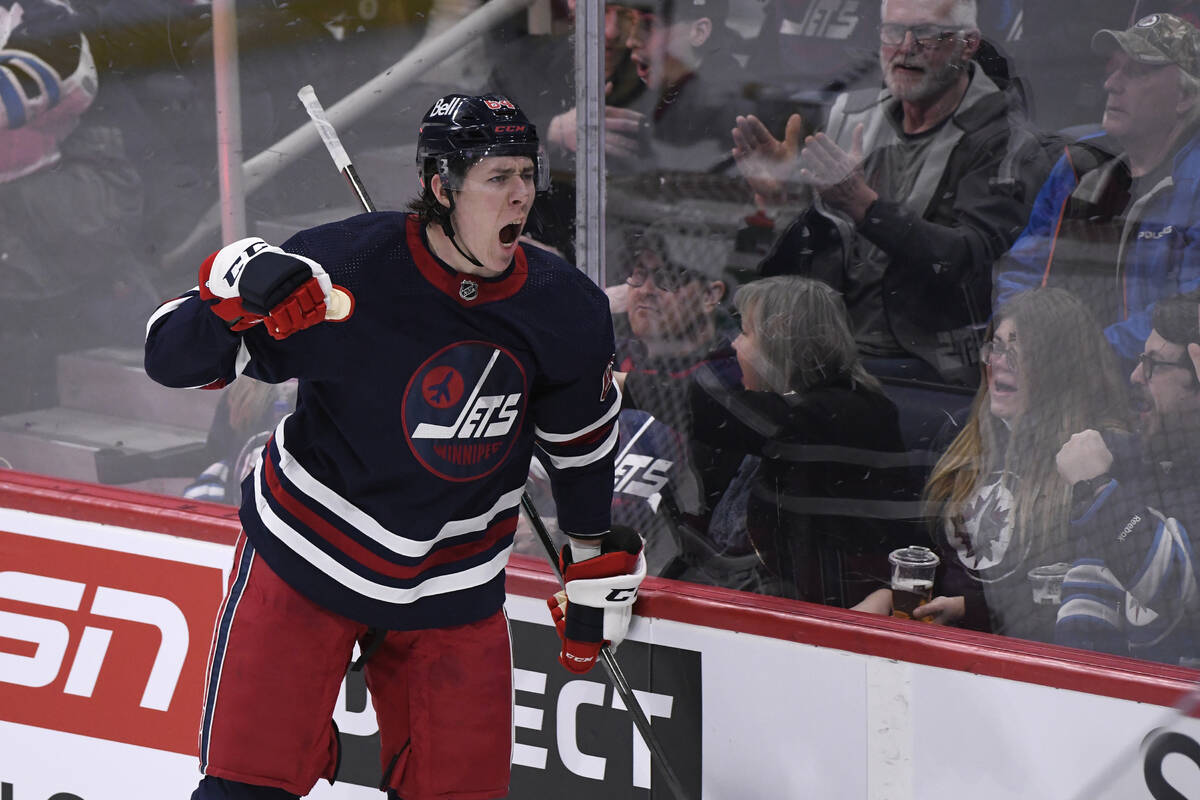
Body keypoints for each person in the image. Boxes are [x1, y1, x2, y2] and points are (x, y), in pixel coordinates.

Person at [144, 93, 647, 800]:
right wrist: (233, 294)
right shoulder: (343, 267)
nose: (522, 196)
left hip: (452, 581)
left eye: (528, 175)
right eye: (498, 177)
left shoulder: (565, 308)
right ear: (442, 187)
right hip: (306, 557)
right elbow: (168, 359)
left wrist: (591, 556)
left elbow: (581, 447)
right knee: (243, 793)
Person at [733, 0, 1053, 389]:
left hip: (926, 368)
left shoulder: (1005, 141)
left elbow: (968, 262)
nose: (905, 46)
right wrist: (784, 201)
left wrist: (863, 205)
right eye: (892, 32)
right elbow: (815, 259)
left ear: (967, 44)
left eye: (925, 33)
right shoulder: (850, 116)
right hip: (827, 348)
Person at [855, 289, 1131, 641]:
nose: (1000, 361)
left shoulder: (1097, 453)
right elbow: (926, 554)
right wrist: (887, 595)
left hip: (1029, 661)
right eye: (996, 347)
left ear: (1061, 366)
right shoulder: (961, 434)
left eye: (1019, 351)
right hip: (943, 648)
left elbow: (1082, 594)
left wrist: (970, 610)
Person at [657, 275, 924, 604]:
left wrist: (633, 388)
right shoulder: (774, 405)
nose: (735, 346)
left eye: (745, 333)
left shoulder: (852, 411)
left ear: (779, 335)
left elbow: (716, 409)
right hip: (735, 585)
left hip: (813, 604)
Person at [995, 13, 1200, 364]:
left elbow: (1188, 313)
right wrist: (1016, 337)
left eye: (1135, 72)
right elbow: (1021, 270)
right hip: (1049, 372)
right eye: (1113, 68)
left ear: (1184, 97)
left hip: (1144, 387)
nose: (1110, 84)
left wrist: (1084, 355)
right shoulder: (1079, 166)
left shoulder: (1194, 186)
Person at [1054, 290, 1200, 665]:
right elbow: (1089, 609)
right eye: (1139, 361)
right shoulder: (1146, 459)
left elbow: (1178, 588)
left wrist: (1099, 492)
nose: (1136, 376)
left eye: (1153, 365)